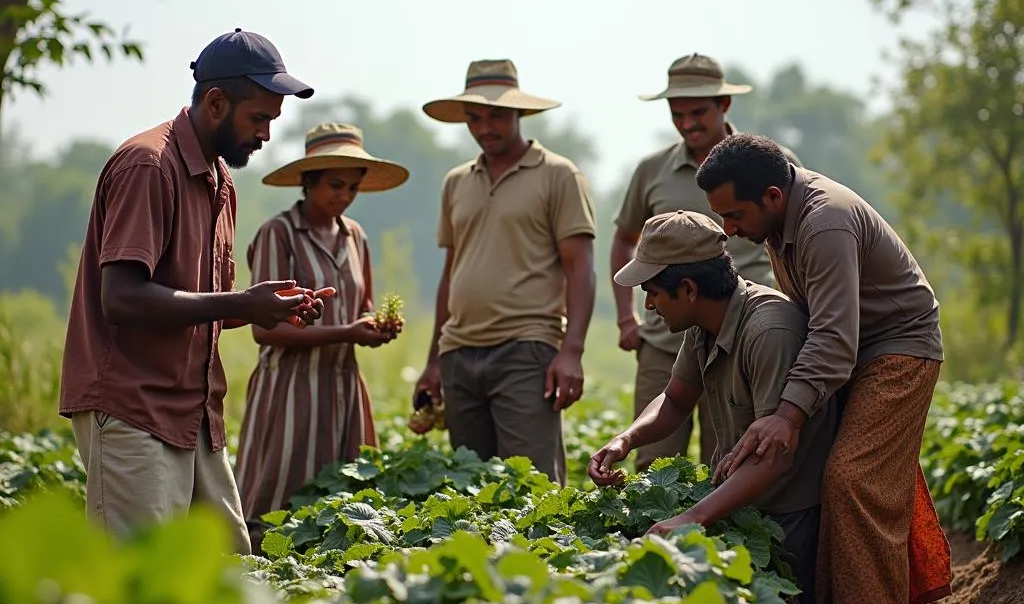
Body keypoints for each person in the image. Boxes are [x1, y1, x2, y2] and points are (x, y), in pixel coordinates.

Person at [695, 132, 952, 604]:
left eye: (735, 215)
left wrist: (787, 414)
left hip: (898, 346)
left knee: (851, 479)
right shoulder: (779, 217)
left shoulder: (824, 222)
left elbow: (835, 336)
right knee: (877, 477)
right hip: (853, 348)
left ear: (771, 195)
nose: (730, 229)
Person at [59, 28, 319, 554]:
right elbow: (123, 298)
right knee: (143, 589)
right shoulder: (148, 165)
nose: (266, 135)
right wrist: (243, 303)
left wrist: (263, 307)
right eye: (259, 119)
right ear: (217, 103)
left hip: (194, 414)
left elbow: (197, 306)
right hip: (133, 408)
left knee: (232, 572)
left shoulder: (220, 181)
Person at [589, 211, 838, 604]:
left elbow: (774, 457)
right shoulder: (703, 323)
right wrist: (625, 440)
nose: (649, 305)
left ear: (688, 289)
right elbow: (674, 400)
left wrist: (693, 517)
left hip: (789, 518)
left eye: (653, 292)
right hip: (737, 502)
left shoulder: (769, 332)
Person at [612, 54, 801, 472]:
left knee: (731, 459)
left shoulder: (766, 162)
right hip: (667, 340)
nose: (688, 123)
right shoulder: (651, 170)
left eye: (698, 112)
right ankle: (659, 536)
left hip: (743, 335)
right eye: (678, 114)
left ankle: (713, 535)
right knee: (654, 470)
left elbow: (795, 236)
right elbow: (624, 239)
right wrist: (628, 319)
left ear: (724, 106)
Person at [413, 58, 597, 484]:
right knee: (469, 486)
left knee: (531, 486)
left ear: (519, 113)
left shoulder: (558, 175)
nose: (484, 127)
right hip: (459, 352)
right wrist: (434, 360)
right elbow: (451, 273)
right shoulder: (456, 181)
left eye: (496, 115)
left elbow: (580, 267)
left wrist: (571, 351)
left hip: (527, 348)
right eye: (474, 117)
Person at [235, 122, 410, 519]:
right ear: (309, 181)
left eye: (352, 186)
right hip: (289, 389)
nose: (344, 196)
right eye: (335, 184)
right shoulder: (278, 234)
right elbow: (265, 329)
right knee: (273, 506)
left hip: (344, 387)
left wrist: (376, 325)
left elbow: (361, 305)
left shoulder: (356, 236)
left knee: (343, 509)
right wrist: (348, 332)